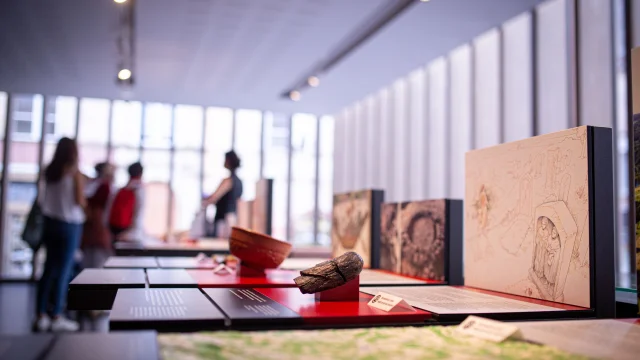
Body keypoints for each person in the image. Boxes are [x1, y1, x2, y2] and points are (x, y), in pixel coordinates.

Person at [34, 137, 85, 332]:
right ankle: (56, 315)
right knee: (64, 271)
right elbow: (79, 201)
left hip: (50, 223)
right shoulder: (74, 173)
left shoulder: (49, 170)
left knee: (48, 269)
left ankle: (40, 315)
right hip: (69, 224)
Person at [202, 151, 243, 238]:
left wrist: (205, 202)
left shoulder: (228, 180)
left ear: (229, 161)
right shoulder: (239, 182)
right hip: (233, 218)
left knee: (221, 244)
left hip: (224, 221)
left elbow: (213, 198)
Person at [81, 162, 115, 268]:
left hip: (90, 225)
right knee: (97, 262)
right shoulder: (104, 186)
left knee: (88, 259)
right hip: (97, 226)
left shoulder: (91, 184)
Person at [109, 162, 145, 243]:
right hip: (129, 232)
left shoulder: (120, 190)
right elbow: (139, 212)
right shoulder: (139, 190)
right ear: (141, 173)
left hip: (114, 228)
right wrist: (133, 232)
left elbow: (108, 210)